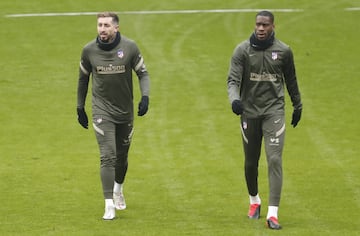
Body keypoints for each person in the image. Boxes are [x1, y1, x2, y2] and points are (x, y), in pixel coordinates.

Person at [227, 10, 302, 230]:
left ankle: (273, 214)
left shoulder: (284, 51)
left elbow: (291, 80)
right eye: (258, 24)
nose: (261, 28)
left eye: (265, 25)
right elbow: (232, 80)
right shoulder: (242, 50)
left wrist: (298, 105)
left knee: (275, 160)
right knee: (251, 163)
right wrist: (235, 100)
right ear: (254, 25)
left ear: (273, 27)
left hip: (274, 112)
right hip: (249, 113)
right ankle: (254, 201)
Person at [76, 12, 150, 220]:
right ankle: (108, 203)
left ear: (116, 28)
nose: (102, 29)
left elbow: (143, 73)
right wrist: (80, 107)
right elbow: (83, 80)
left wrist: (145, 97)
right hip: (102, 111)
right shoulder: (88, 50)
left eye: (106, 25)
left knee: (122, 157)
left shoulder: (129, 48)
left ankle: (118, 189)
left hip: (125, 112)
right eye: (99, 25)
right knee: (108, 155)